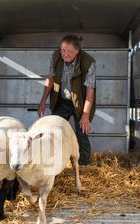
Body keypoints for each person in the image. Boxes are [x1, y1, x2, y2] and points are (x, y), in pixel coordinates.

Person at [38, 34, 96, 166]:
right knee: (53, 130)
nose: (65, 54)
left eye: (69, 51)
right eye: (63, 50)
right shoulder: (56, 57)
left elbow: (90, 91)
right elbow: (50, 79)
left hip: (80, 103)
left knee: (82, 132)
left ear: (77, 51)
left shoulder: (88, 62)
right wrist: (42, 102)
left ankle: (83, 164)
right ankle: (52, 161)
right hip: (62, 100)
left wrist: (85, 115)